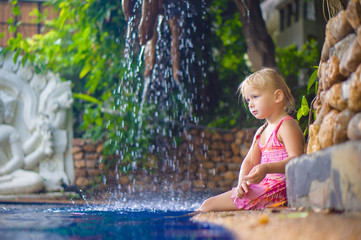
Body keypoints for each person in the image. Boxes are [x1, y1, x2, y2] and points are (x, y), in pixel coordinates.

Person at [197, 68, 305, 212]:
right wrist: (242, 181)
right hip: (265, 187)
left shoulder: (286, 125)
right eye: (248, 100)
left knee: (207, 206)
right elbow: (249, 161)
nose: (251, 104)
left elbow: (296, 160)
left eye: (255, 97)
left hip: (279, 188)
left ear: (277, 96)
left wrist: (266, 168)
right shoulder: (261, 130)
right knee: (207, 205)